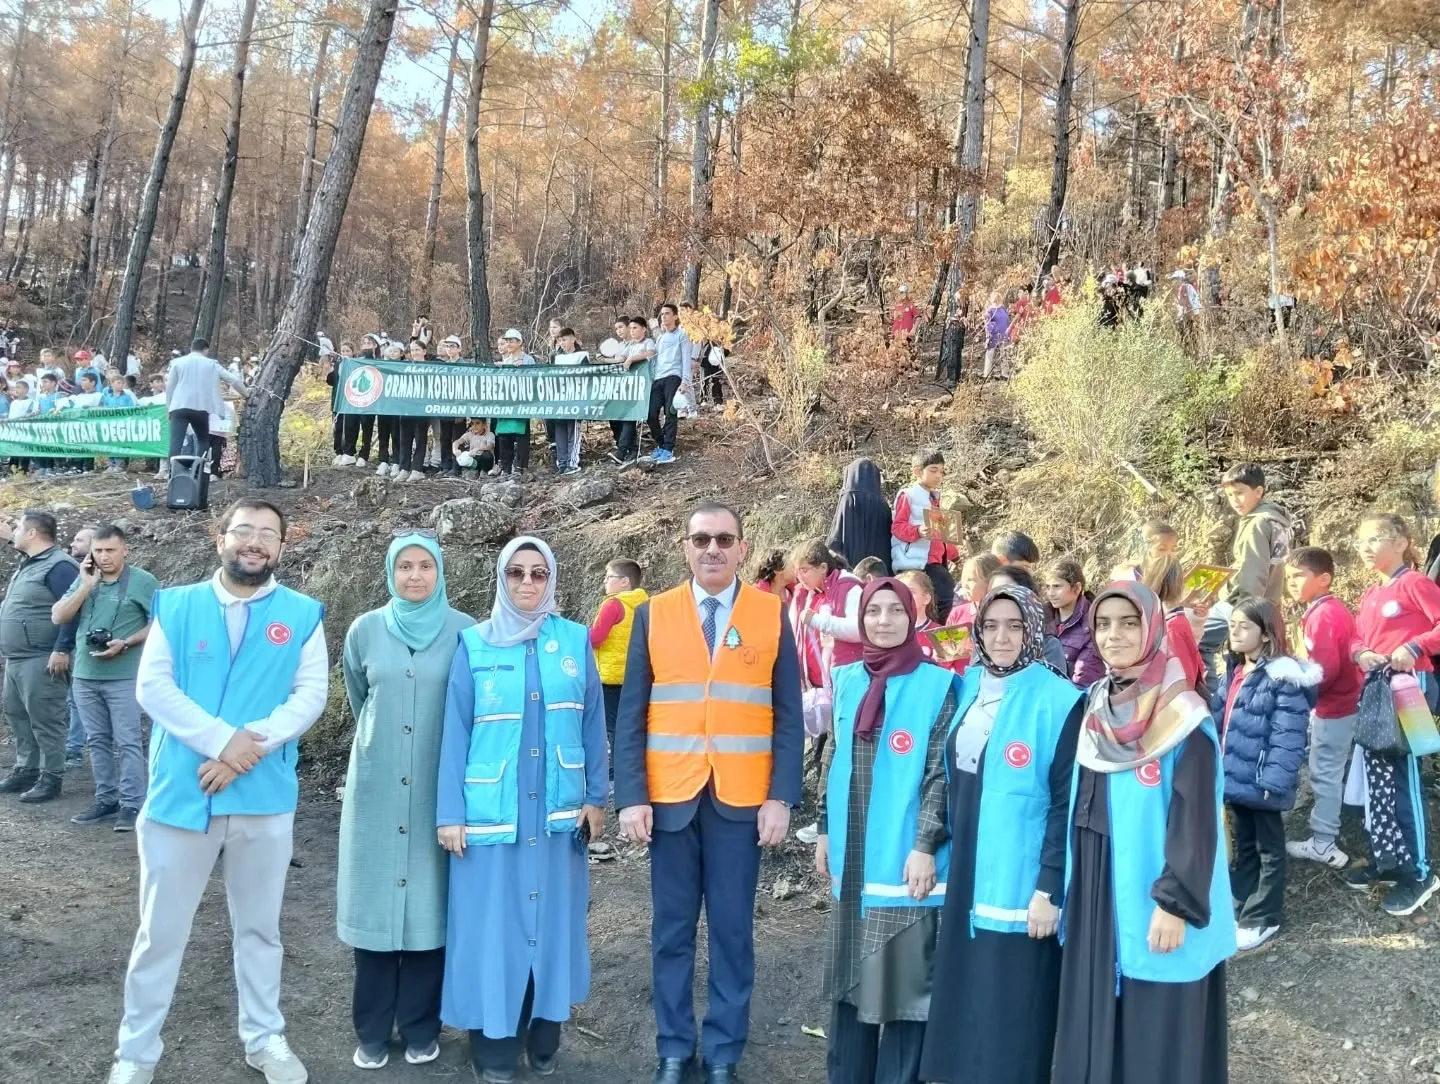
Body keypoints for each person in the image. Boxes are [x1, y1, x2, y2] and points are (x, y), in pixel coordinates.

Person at [105, 498, 328, 1084]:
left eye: (268, 535)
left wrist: (247, 750)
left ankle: (264, 1038)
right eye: (244, 531)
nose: (255, 543)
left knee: (260, 929)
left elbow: (310, 695)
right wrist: (222, 740)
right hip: (183, 795)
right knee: (160, 933)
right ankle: (135, 1055)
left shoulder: (302, 615)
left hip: (263, 797)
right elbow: (154, 688)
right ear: (220, 537)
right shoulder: (176, 607)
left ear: (282, 546)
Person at [614, 501, 804, 1084]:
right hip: (669, 800)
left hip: (741, 804)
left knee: (731, 931)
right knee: (670, 933)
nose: (713, 549)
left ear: (743, 548)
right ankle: (673, 1048)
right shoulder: (655, 614)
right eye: (702, 539)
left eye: (724, 539)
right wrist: (632, 794)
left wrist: (782, 796)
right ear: (686, 547)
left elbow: (788, 716)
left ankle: (722, 1052)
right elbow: (632, 713)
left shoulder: (772, 614)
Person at [436, 536, 607, 1083]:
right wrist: (449, 814)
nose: (528, 584)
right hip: (492, 816)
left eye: (538, 574)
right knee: (493, 930)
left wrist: (596, 797)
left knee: (553, 926)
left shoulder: (575, 642)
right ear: (501, 580)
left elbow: (593, 724)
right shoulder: (474, 645)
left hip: (557, 819)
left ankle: (544, 1038)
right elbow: (454, 734)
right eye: (516, 574)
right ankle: (492, 1048)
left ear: (551, 580)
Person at [1053, 581, 1234, 1084]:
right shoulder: (1097, 702)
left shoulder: (1182, 714)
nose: (1114, 636)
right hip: (1096, 879)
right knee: (1099, 1003)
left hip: (1152, 884)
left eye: (1129, 623)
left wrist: (1175, 902)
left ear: (1152, 628)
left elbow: (1195, 819)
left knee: (1154, 1012)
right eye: (1104, 624)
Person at [921, 585, 1084, 1084]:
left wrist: (1048, 888)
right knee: (965, 991)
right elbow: (946, 775)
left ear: (1034, 630)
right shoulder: (968, 685)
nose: (1002, 637)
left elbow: (1064, 805)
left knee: (1012, 1002)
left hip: (1020, 877)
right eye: (991, 626)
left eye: (1015, 626)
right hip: (967, 868)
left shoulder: (1060, 700)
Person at [339, 533, 474, 1070]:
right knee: (374, 909)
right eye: (405, 567)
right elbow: (358, 695)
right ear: (391, 573)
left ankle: (421, 1025)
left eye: (424, 567)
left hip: (437, 789)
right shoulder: (364, 630)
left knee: (428, 908)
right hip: (376, 785)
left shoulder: (465, 632)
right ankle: (371, 1029)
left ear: (440, 572)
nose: (415, 576)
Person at [817, 578, 953, 1084]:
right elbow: (833, 756)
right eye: (874, 611)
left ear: (914, 615)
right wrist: (826, 831)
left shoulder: (940, 684)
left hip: (904, 858)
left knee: (903, 990)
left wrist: (925, 845)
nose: (884, 621)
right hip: (854, 853)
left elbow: (942, 773)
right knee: (850, 981)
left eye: (896, 610)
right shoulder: (848, 676)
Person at [1345, 512, 1440, 916]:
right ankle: (1388, 861)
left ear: (1400, 541)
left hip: (1410, 688)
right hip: (1377, 690)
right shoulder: (1371, 593)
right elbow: (1356, 638)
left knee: (1404, 779)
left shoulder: (1415, 583)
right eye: (1361, 541)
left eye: (1374, 539)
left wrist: (1415, 647)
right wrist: (1359, 652)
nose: (1365, 548)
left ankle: (1420, 873)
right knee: (1377, 780)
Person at [1214, 598, 1314, 951]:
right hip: (1235, 777)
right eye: (1233, 625)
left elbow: (1288, 734)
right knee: (1243, 845)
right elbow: (1220, 719)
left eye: (1245, 626)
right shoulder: (1237, 670)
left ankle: (1264, 916)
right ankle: (1242, 903)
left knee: (1269, 848)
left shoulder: (1282, 676)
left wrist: (1274, 779)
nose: (1236, 631)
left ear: (1266, 632)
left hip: (1261, 780)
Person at [51, 525, 157, 832]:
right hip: (85, 674)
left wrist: (126, 642)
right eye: (98, 551)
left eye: (110, 550)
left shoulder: (143, 581)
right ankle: (106, 798)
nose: (104, 557)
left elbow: (160, 623)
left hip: (124, 675)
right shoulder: (84, 579)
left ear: (125, 549)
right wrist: (85, 585)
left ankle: (132, 803)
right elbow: (59, 616)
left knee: (128, 742)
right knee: (96, 740)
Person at [1283, 547, 1362, 871]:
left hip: (1334, 708)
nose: (1291, 582)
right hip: (1345, 702)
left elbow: (1323, 671)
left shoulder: (1324, 615)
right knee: (1332, 770)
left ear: (1324, 579)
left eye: (1299, 575)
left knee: (1324, 774)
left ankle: (1323, 842)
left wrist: (1302, 699)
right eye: (1288, 576)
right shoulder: (1327, 610)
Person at [0, 510, 80, 803]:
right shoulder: (30, 564)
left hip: (42, 656)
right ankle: (27, 768)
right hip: (17, 658)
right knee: (18, 714)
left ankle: (51, 776)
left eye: (19, 528)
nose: (15, 533)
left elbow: (73, 608)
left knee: (46, 718)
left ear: (32, 533)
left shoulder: (59, 566)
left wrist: (62, 648)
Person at [1198, 463, 1293, 681]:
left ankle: (1212, 698)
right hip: (1265, 604)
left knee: (1197, 642)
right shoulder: (1275, 521)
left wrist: (1247, 613)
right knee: (1248, 660)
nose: (1234, 500)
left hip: (1242, 603)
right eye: (1230, 495)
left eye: (1240, 493)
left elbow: (1254, 571)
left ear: (1258, 492)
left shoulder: (1256, 524)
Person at [590, 557, 648, 778]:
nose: (605, 582)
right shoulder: (644, 603)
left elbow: (596, 638)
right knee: (633, 723)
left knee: (612, 726)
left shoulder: (613, 604)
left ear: (624, 581)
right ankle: (634, 768)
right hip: (635, 674)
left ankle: (615, 772)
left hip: (611, 676)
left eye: (609, 577)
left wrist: (576, 635)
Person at [890, 449, 959, 618]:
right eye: (933, 470)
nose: (938, 476)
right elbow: (897, 527)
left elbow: (942, 535)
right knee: (946, 600)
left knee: (943, 602)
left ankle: (935, 638)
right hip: (917, 563)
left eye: (941, 471)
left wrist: (955, 557)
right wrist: (918, 531)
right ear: (917, 471)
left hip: (936, 563)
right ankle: (937, 637)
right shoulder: (908, 496)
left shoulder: (935, 499)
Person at [164, 337, 248, 466]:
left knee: (176, 441)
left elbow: (170, 387)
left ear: (192, 348)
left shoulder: (177, 363)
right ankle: (199, 471)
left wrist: (169, 407)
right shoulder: (211, 364)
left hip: (179, 407)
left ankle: (172, 474)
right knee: (203, 439)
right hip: (201, 407)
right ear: (206, 350)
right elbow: (233, 380)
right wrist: (246, 394)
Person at [793, 539, 865, 669]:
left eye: (804, 570)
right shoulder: (810, 593)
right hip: (819, 684)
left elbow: (860, 629)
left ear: (823, 568)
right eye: (797, 572)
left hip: (848, 676)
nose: (800, 577)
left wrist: (818, 621)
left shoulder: (849, 587)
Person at [988, 566, 1068, 677]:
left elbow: (1053, 690)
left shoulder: (1047, 647)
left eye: (1008, 593)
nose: (1000, 600)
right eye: (994, 594)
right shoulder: (983, 642)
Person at [1142, 555, 1205, 693]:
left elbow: (1184, 676)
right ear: (1179, 583)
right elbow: (1188, 670)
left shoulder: (1165, 624)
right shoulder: (1174, 623)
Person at [64, 526, 96, 763]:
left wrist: (62, 647)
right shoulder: (76, 572)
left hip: (84, 647)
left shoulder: (74, 572)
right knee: (71, 698)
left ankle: (74, 748)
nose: (73, 543)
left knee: (78, 699)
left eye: (79, 540)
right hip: (72, 644)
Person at [827, 458, 892, 575]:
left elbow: (837, 533)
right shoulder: (883, 504)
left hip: (851, 566)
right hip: (879, 569)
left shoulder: (848, 499)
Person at [1043, 558, 1103, 687]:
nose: (1050, 593)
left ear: (1076, 588)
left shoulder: (1092, 624)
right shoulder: (1041, 616)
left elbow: (1084, 680)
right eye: (1048, 587)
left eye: (1057, 586)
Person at [647, 303, 690, 465]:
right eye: (662, 314)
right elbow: (655, 359)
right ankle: (660, 442)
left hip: (673, 377)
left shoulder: (681, 335)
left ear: (675, 316)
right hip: (658, 379)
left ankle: (668, 448)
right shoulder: (660, 338)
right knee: (651, 413)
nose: (663, 316)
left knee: (670, 413)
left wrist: (685, 381)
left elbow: (686, 358)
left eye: (667, 313)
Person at [609, 316, 655, 466]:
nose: (632, 331)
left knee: (631, 416)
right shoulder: (629, 345)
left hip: (644, 385)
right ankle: (632, 450)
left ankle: (622, 451)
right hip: (629, 387)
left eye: (635, 328)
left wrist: (632, 359)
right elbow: (620, 358)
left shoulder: (648, 342)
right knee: (625, 416)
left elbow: (650, 354)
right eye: (631, 328)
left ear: (643, 329)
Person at [550, 328, 587, 475]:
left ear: (573, 339)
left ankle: (572, 463)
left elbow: (586, 377)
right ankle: (562, 462)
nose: (562, 343)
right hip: (559, 401)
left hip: (575, 400)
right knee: (560, 433)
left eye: (564, 339)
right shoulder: (556, 357)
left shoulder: (582, 356)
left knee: (573, 432)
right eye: (560, 340)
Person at [945, 553, 1000, 629]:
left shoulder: (1008, 613)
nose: (965, 585)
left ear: (990, 581)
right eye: (964, 580)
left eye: (971, 580)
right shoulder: (957, 614)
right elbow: (947, 640)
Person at [982, 290, 1010, 379]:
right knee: (990, 354)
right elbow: (987, 323)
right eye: (995, 298)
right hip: (993, 334)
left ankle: (1005, 373)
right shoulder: (990, 310)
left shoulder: (1003, 308)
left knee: (1003, 354)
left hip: (1003, 334)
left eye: (997, 297)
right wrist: (988, 335)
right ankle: (987, 374)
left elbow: (1006, 320)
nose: (996, 299)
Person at [891, 284, 922, 349]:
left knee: (906, 353)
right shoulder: (896, 306)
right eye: (900, 293)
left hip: (906, 335)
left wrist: (913, 329)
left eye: (903, 292)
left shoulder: (911, 305)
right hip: (896, 335)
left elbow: (918, 317)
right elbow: (893, 320)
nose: (901, 294)